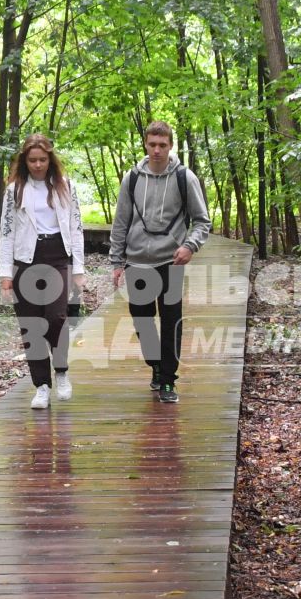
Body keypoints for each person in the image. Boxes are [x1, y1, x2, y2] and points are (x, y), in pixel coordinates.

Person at [109, 121, 211, 403]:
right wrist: (117, 262)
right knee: (142, 321)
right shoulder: (132, 178)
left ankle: (167, 379)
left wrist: (190, 246)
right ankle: (155, 364)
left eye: (162, 145)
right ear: (145, 143)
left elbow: (202, 220)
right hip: (137, 261)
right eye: (152, 144)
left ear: (170, 146)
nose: (157, 150)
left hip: (171, 261)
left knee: (171, 321)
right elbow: (120, 222)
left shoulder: (184, 177)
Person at [0, 133, 86, 410]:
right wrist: (5, 273)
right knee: (31, 325)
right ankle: (42, 386)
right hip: (26, 259)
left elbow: (76, 228)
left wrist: (79, 268)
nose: (38, 165)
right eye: (33, 160)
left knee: (57, 317)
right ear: (25, 161)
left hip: (59, 257)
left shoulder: (64, 186)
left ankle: (61, 371)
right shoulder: (15, 190)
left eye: (43, 160)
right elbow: (7, 232)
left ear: (51, 160)